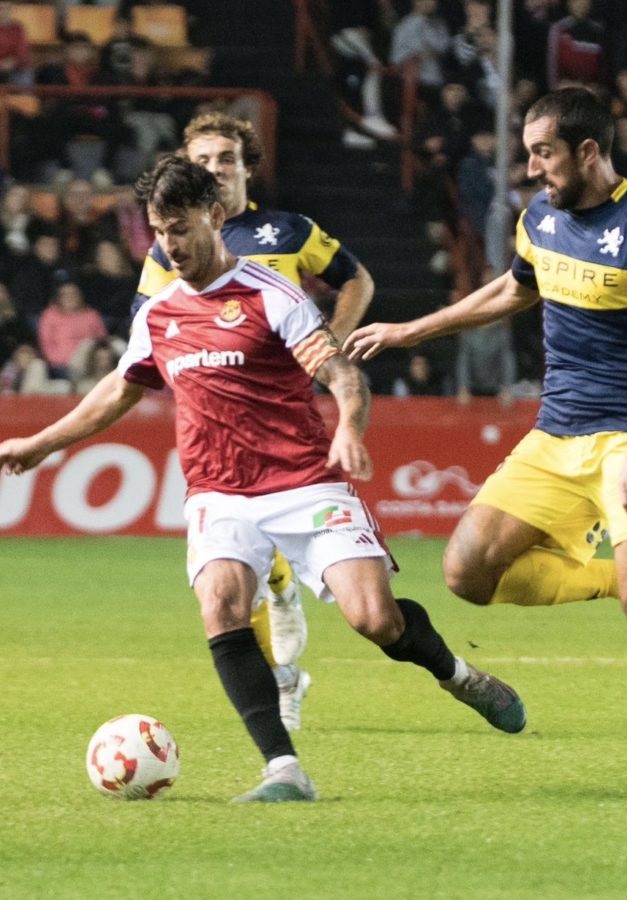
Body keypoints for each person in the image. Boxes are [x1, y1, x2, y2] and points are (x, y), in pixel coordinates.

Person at [0, 156, 526, 802]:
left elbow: (342, 374)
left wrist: (348, 428)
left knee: (374, 617)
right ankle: (284, 769)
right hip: (219, 492)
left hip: (304, 478)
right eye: (160, 231)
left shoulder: (271, 294)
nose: (171, 245)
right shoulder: (158, 315)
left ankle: (459, 675)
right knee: (221, 605)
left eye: (181, 228)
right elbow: (117, 390)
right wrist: (41, 445)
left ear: (215, 217)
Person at [345, 87, 627, 801]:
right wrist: (409, 331)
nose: (532, 168)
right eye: (529, 153)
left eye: (544, 153)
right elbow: (514, 291)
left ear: (588, 151)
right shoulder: (540, 219)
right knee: (467, 571)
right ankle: (619, 577)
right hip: (554, 435)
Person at [131, 111, 379, 732]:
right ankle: (284, 680)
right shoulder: (172, 245)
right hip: (219, 411)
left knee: (283, 566)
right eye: (202, 159)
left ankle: (289, 650)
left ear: (246, 167)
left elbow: (354, 279)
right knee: (238, 574)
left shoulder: (289, 230)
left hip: (288, 404)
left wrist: (328, 343)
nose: (214, 168)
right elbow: (148, 329)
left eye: (224, 159)